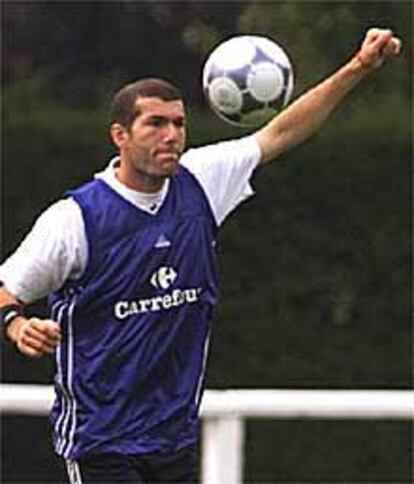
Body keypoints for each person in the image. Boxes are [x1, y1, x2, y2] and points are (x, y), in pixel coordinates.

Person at [0, 28, 401, 483]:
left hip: (174, 438)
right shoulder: (75, 219)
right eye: (155, 124)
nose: (171, 135)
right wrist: (16, 324)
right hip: (102, 442)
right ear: (120, 135)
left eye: (179, 123)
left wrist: (360, 67)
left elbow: (283, 132)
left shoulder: (201, 182)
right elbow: (4, 289)